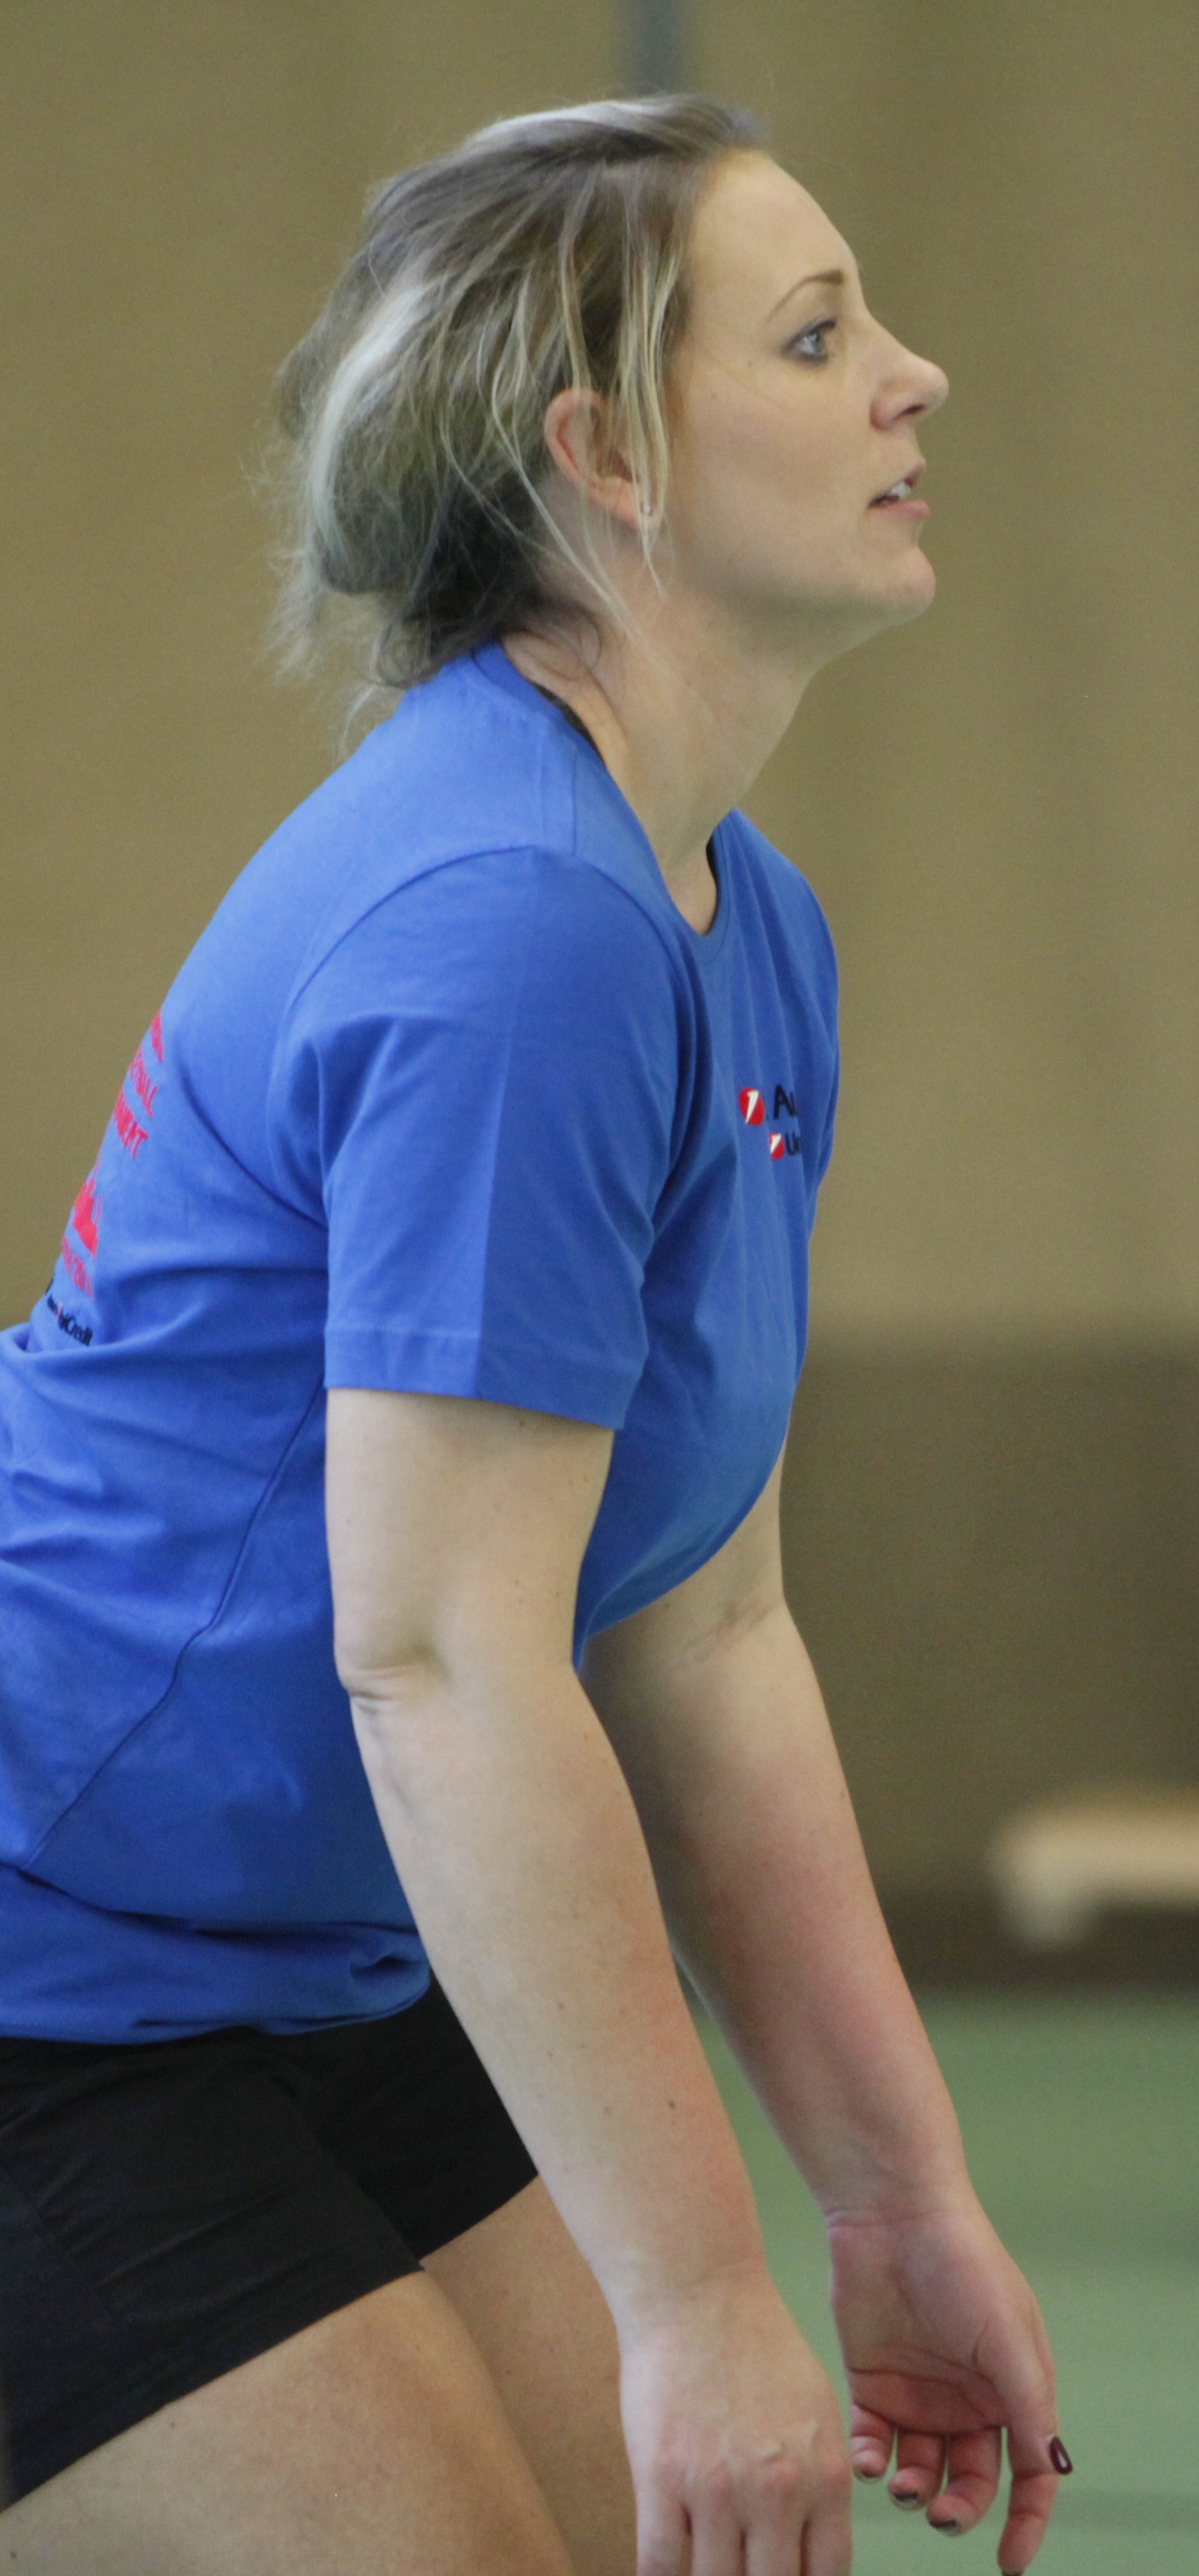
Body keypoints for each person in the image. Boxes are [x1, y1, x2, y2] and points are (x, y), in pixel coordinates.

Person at [0, 95, 1067, 2576]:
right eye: (813, 336)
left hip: (319, 1942)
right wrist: (694, 2302)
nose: (912, 376)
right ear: (600, 458)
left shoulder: (734, 916)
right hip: (47, 1957)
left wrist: (892, 2204)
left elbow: (704, 1626)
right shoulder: (512, 918)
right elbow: (445, 1663)